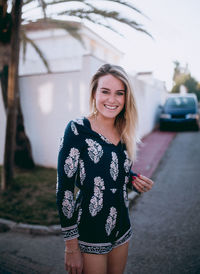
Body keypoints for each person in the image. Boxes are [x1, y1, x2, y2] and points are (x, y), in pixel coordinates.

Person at [56, 64, 154, 274]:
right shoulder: (77, 129)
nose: (112, 100)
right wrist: (71, 248)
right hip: (91, 230)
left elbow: (116, 172)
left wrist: (133, 179)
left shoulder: (124, 128)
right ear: (94, 93)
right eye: (105, 91)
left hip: (122, 227)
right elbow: (64, 190)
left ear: (126, 98)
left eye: (120, 93)